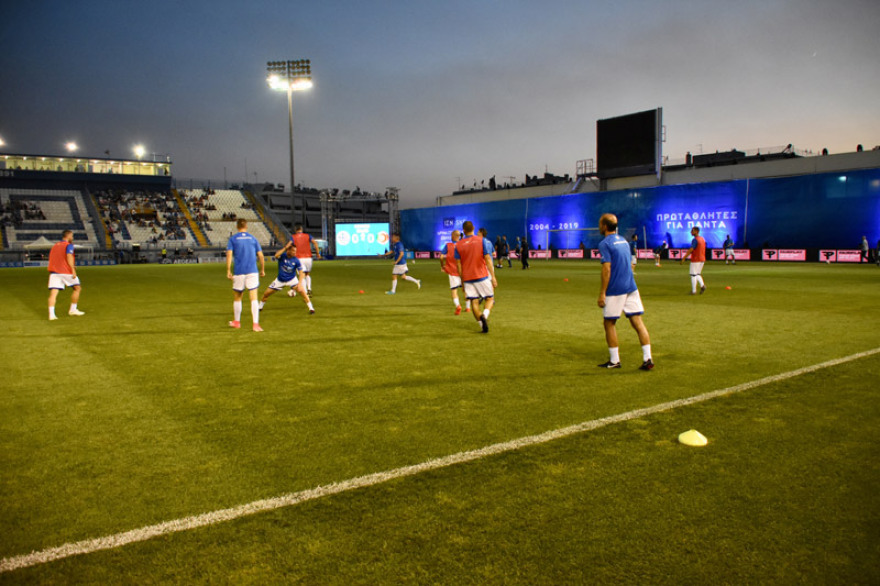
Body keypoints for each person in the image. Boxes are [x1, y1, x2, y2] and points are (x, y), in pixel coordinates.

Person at [596, 214, 653, 370]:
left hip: (616, 289)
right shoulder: (623, 241)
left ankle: (615, 360)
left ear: (605, 226)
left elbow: (606, 269)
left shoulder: (605, 243)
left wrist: (602, 293)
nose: (599, 226)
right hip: (631, 287)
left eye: (600, 223)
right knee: (637, 322)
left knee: (609, 323)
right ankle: (648, 358)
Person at [455, 221, 498, 333]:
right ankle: (485, 315)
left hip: (468, 278)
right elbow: (488, 259)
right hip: (481, 275)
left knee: (474, 302)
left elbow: (459, 265)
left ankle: (482, 324)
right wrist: (493, 277)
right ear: (473, 228)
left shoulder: (458, 245)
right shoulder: (481, 241)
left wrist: (462, 281)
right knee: (490, 298)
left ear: (463, 230)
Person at [226, 218, 266, 331]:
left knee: (238, 296)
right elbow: (261, 255)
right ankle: (255, 324)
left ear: (237, 226)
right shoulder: (253, 238)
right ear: (246, 226)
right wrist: (262, 269)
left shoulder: (233, 239)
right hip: (252, 270)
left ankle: (237, 322)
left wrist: (228, 270)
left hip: (239, 271)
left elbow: (229, 255)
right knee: (253, 297)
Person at [259, 241, 315, 314]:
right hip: (280, 280)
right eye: (293, 251)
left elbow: (301, 272)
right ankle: (260, 307)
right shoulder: (283, 256)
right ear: (288, 250)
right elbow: (276, 255)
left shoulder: (296, 260)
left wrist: (300, 283)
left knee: (302, 292)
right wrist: (285, 247)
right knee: (266, 293)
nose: (295, 253)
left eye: (295, 251)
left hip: (292, 279)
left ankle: (311, 308)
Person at [47, 230, 84, 320]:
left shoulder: (55, 245)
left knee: (53, 293)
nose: (73, 238)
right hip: (66, 271)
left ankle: (51, 315)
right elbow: (69, 256)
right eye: (72, 236)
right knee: (77, 288)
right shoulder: (68, 245)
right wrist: (73, 269)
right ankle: (73, 309)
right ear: (68, 236)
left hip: (54, 272)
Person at [439, 230, 466, 315]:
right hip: (462, 271)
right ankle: (468, 307)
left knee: (454, 291)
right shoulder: (463, 245)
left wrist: (442, 266)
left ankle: (458, 306)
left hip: (452, 271)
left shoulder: (448, 245)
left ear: (453, 236)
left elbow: (441, 257)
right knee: (465, 289)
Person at [291, 223, 321, 295]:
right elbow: (315, 243)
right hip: (308, 258)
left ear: (295, 230)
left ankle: (305, 292)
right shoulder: (308, 236)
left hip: (299, 258)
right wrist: (317, 253)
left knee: (302, 275)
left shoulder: (293, 237)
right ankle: (309, 289)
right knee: (307, 274)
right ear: (301, 229)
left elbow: (290, 246)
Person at [681, 226, 707, 294]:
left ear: (696, 231)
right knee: (697, 274)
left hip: (696, 259)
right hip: (702, 259)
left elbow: (691, 249)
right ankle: (702, 285)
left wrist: (684, 257)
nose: (691, 232)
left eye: (692, 231)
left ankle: (694, 291)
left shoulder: (695, 240)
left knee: (693, 275)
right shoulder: (702, 239)